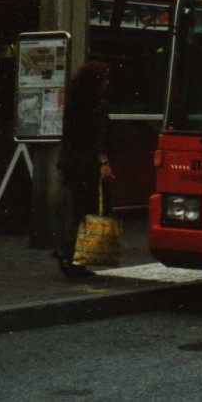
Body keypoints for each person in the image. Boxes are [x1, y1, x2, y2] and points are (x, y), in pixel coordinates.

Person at [55, 61, 115, 277]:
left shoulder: (72, 101)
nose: (108, 82)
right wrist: (103, 162)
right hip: (87, 163)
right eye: (105, 78)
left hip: (70, 161)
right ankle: (73, 256)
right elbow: (98, 137)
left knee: (78, 209)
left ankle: (69, 253)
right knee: (89, 211)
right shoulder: (97, 105)